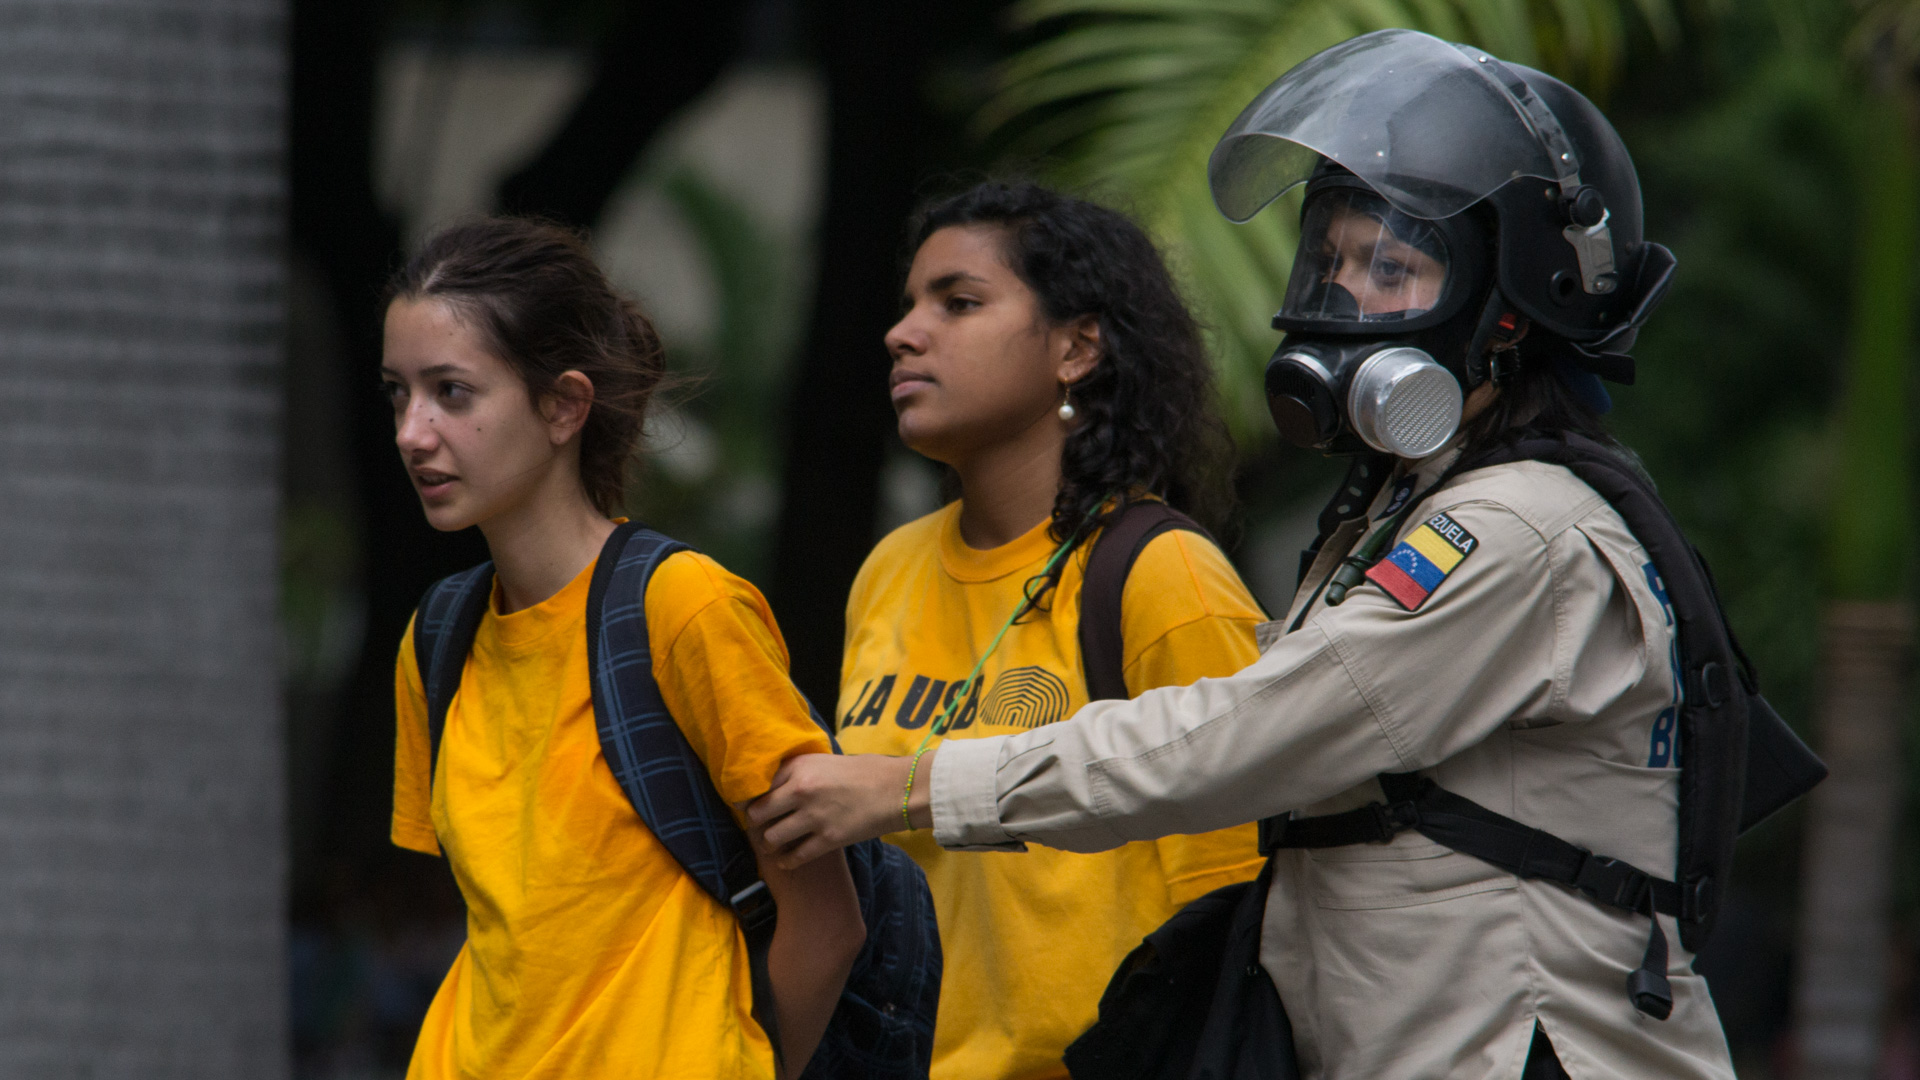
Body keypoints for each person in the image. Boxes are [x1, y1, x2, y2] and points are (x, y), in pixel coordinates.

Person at [748, 31, 1751, 1080]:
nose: (1345, 300)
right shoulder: (1403, 514)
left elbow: (1245, 737)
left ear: (1514, 309)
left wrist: (914, 789)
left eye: (1393, 268)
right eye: (1333, 260)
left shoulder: (1519, 528)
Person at [383, 217, 864, 1080]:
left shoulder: (683, 607)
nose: (412, 432)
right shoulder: (439, 635)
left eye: (451, 392)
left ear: (565, 405)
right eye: (398, 393)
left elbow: (828, 924)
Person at [832, 181, 1268, 1080]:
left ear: (1076, 347)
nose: (903, 332)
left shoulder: (1162, 575)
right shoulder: (889, 569)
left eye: (958, 303)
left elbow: (1235, 909)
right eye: (908, 305)